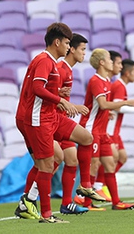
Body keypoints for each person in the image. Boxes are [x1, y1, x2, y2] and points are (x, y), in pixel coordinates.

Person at [16, 23, 96, 223]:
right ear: (57, 42)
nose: (69, 48)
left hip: (50, 116)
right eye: (68, 43)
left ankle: (84, 185)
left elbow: (39, 89)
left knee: (83, 139)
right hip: (38, 118)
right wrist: (61, 100)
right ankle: (44, 213)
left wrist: (57, 95)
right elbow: (36, 88)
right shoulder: (45, 61)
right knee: (46, 164)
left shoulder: (50, 62)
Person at [78, 49, 134, 211]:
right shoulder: (96, 80)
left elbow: (102, 106)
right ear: (102, 63)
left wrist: (107, 113)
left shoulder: (106, 81)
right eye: (111, 60)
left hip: (102, 130)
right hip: (91, 129)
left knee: (110, 164)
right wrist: (125, 103)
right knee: (94, 164)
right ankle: (86, 202)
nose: (113, 63)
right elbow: (103, 104)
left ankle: (116, 202)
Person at [56, 33, 90, 215]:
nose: (85, 53)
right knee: (48, 164)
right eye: (82, 49)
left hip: (63, 118)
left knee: (72, 160)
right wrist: (74, 106)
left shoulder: (68, 69)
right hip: (54, 121)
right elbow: (49, 97)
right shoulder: (61, 68)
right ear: (72, 49)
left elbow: (58, 95)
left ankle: (66, 203)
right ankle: (86, 185)